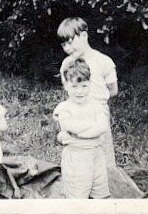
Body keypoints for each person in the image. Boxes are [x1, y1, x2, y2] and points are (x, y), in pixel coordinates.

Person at [57, 17, 118, 167]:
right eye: (64, 44)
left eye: (70, 42)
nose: (67, 48)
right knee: (79, 152)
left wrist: (95, 105)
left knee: (103, 155)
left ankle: (106, 184)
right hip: (76, 113)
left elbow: (113, 90)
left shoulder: (103, 61)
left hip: (98, 115)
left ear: (84, 36)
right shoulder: (66, 64)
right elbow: (67, 87)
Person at [53, 58, 110, 199]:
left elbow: (102, 127)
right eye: (74, 86)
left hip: (96, 156)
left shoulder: (95, 105)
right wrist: (92, 126)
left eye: (84, 86)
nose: (80, 91)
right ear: (66, 85)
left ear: (90, 84)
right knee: (77, 197)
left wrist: (75, 135)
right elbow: (69, 126)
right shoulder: (64, 108)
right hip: (76, 158)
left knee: (100, 195)